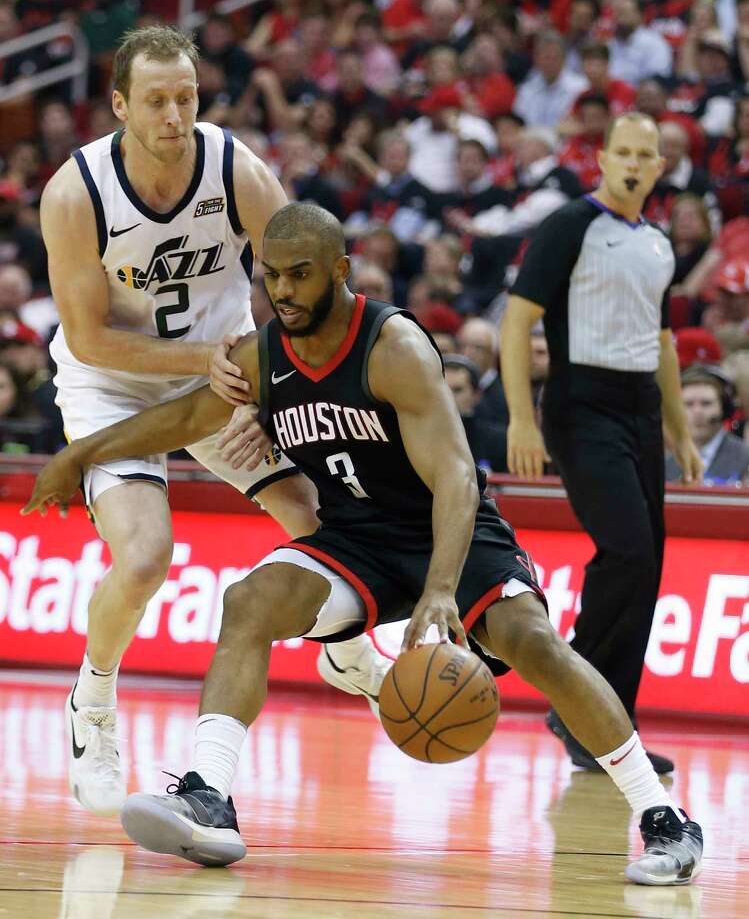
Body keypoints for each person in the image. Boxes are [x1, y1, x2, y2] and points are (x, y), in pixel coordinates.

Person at [25, 202, 703, 886]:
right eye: (272, 278)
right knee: (250, 599)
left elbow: (457, 478)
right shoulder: (266, 353)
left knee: (533, 644)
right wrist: (80, 454)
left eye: (300, 275)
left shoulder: (392, 347)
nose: (284, 292)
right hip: (359, 541)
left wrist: (440, 589)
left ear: (339, 271)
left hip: (447, 531)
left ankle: (665, 820)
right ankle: (209, 797)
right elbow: (182, 418)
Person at [39, 25, 388, 820]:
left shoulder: (233, 167)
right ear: (120, 105)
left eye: (186, 96)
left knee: (310, 513)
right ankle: (93, 703)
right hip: (115, 390)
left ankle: (344, 651)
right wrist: (210, 363)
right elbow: (89, 337)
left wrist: (286, 361)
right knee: (145, 557)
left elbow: (309, 271)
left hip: (223, 376)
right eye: (156, 100)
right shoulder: (75, 192)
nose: (173, 114)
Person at [500, 112, 704, 776]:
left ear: (658, 167)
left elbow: (664, 343)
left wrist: (677, 426)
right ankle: (574, 696)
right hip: (578, 405)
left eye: (647, 155)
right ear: (603, 157)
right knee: (626, 550)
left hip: (639, 407)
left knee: (645, 567)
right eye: (623, 152)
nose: (634, 163)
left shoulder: (657, 244)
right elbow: (515, 323)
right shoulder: (568, 225)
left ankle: (611, 726)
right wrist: (520, 419)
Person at [666, 366, 749, 484]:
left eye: (706, 403)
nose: (697, 412)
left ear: (725, 409)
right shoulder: (663, 460)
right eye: (688, 404)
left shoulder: (745, 458)